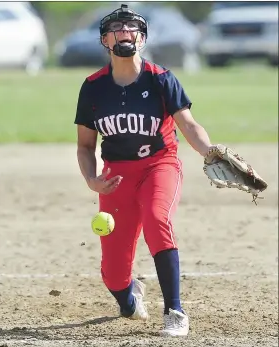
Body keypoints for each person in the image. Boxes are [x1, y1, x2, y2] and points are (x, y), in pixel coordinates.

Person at [75, 4, 213, 337]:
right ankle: (128, 296)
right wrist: (92, 179)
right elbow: (84, 146)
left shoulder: (162, 79)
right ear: (104, 40)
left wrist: (210, 153)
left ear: (142, 37)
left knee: (156, 217)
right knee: (113, 275)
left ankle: (175, 311)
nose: (125, 33)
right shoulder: (93, 87)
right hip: (115, 177)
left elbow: (189, 125)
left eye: (132, 28)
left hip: (159, 164)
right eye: (117, 29)